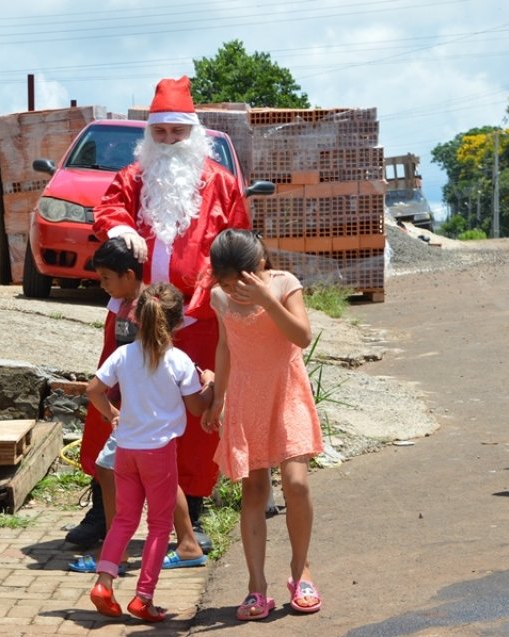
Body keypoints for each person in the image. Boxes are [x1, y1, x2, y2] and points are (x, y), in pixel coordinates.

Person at [68, 75, 251, 550]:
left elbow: (234, 247)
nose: (169, 142)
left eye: (178, 132)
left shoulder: (223, 184)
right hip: (133, 312)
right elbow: (108, 211)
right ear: (150, 135)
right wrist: (121, 228)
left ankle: (195, 508)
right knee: (116, 400)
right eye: (161, 133)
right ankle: (100, 508)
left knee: (195, 409)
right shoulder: (132, 178)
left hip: (196, 320)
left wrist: (202, 299)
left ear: (193, 133)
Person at [203, 229, 324, 620]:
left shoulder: (285, 285)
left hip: (286, 392)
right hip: (245, 398)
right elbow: (224, 346)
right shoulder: (219, 298)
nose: (233, 289)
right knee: (254, 490)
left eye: (241, 281)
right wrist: (218, 399)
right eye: (224, 282)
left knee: (296, 482)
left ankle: (300, 571)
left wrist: (267, 300)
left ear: (259, 266)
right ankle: (256, 587)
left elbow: (302, 336)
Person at [67, 238, 208, 574]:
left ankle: (117, 555)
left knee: (115, 476)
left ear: (129, 275)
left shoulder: (143, 311)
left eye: (106, 278)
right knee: (157, 478)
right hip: (151, 424)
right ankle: (182, 544)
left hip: (137, 423)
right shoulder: (136, 308)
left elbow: (101, 384)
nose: (102, 285)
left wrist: (113, 411)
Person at [85, 282, 215, 623]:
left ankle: (103, 583)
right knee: (158, 527)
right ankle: (144, 597)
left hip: (126, 450)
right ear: (176, 322)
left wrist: (111, 414)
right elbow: (198, 408)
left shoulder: (123, 355)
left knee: (124, 520)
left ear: (138, 318)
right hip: (159, 454)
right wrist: (211, 383)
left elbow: (93, 390)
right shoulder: (179, 361)